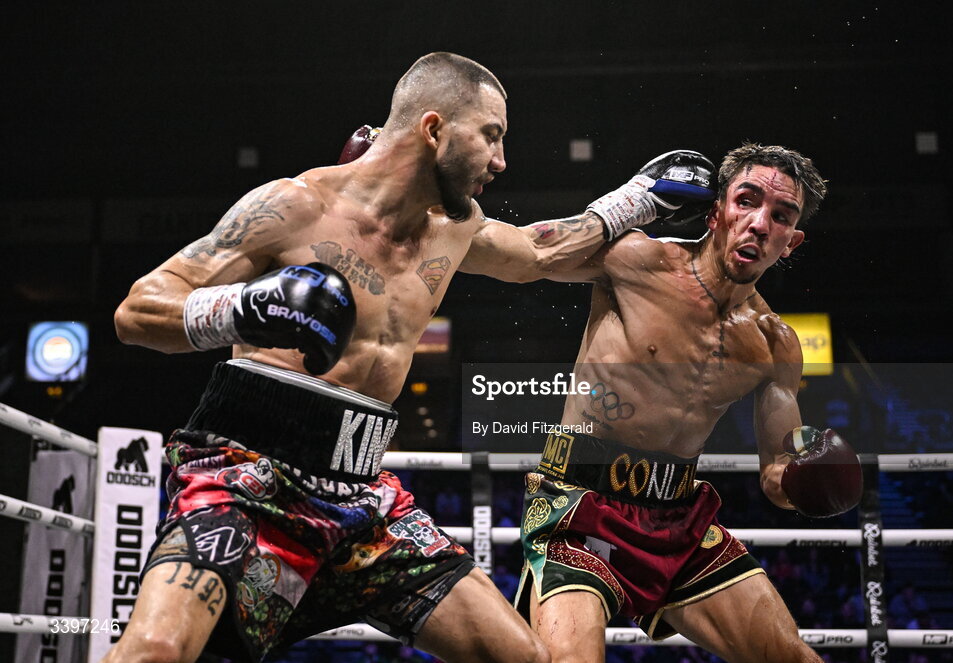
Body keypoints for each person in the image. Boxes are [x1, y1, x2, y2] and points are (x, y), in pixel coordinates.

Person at [106, 52, 710, 663]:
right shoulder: (296, 206)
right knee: (157, 650)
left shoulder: (456, 226)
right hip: (248, 477)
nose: (501, 161)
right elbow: (137, 313)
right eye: (491, 136)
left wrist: (638, 200)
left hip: (364, 497)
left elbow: (537, 252)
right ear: (433, 129)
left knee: (525, 659)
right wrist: (249, 305)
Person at [512, 143, 863, 663]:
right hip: (579, 506)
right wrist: (628, 204)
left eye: (781, 216)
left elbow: (775, 473)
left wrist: (800, 484)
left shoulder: (775, 344)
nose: (760, 224)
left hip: (678, 519)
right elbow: (525, 254)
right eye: (747, 201)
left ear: (791, 241)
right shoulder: (638, 261)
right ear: (717, 209)